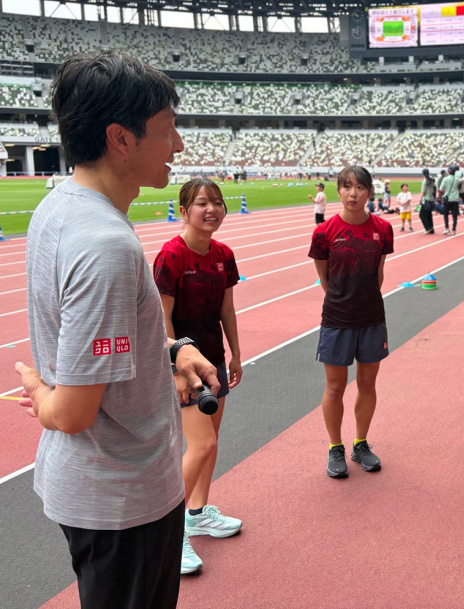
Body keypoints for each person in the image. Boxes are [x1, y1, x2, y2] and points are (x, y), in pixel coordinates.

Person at [15, 52, 218, 608]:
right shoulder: (105, 243)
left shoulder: (60, 206)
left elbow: (102, 333)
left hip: (107, 491)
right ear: (120, 139)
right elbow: (73, 412)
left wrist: (171, 350)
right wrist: (38, 390)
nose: (177, 146)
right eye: (168, 129)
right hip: (121, 500)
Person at [153, 178, 243, 575]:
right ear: (185, 208)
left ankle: (198, 513)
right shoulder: (171, 256)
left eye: (218, 203)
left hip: (215, 359)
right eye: (202, 203)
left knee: (211, 441)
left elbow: (227, 310)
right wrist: (174, 366)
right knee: (200, 445)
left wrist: (236, 353)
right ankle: (170, 535)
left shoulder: (224, 254)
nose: (212, 210)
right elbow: (162, 320)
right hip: (185, 366)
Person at [309, 165, 394, 478]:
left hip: (372, 317)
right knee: (335, 387)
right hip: (337, 319)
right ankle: (335, 447)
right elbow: (324, 276)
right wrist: (343, 300)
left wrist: (364, 299)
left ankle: (360, 443)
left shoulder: (383, 229)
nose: (353, 194)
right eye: (347, 187)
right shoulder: (324, 232)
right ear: (338, 191)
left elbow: (379, 273)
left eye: (360, 188)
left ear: (370, 192)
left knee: (367, 384)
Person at [439, 164, 462, 235]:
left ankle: (446, 228)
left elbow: (441, 189)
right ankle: (454, 230)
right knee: (454, 215)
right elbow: (461, 183)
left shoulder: (445, 179)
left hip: (447, 199)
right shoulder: (457, 179)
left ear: (448, 172)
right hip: (455, 199)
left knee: (445, 214)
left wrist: (444, 193)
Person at [420, 168, 437, 234]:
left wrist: (420, 199)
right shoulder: (432, 180)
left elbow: (423, 191)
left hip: (426, 200)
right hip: (431, 199)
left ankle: (428, 228)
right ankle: (431, 227)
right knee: (429, 214)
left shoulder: (424, 181)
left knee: (422, 215)